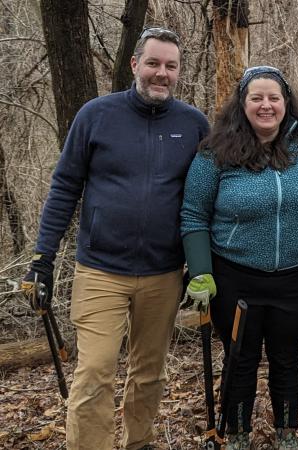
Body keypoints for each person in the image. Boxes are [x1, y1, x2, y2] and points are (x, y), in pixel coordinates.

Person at [20, 27, 209, 450]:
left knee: (149, 373)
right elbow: (65, 187)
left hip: (163, 273)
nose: (162, 73)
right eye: (154, 63)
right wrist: (42, 259)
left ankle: (137, 442)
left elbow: (206, 198)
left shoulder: (194, 125)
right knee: (95, 372)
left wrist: (205, 267)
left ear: (179, 71)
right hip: (100, 270)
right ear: (135, 64)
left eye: (171, 66)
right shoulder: (96, 115)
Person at [180, 65, 298, 450]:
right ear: (242, 103)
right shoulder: (215, 152)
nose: (266, 105)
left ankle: (287, 431)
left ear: (286, 103)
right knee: (240, 359)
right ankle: (237, 434)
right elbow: (193, 214)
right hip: (234, 277)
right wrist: (200, 270)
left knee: (286, 356)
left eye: (274, 98)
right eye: (256, 98)